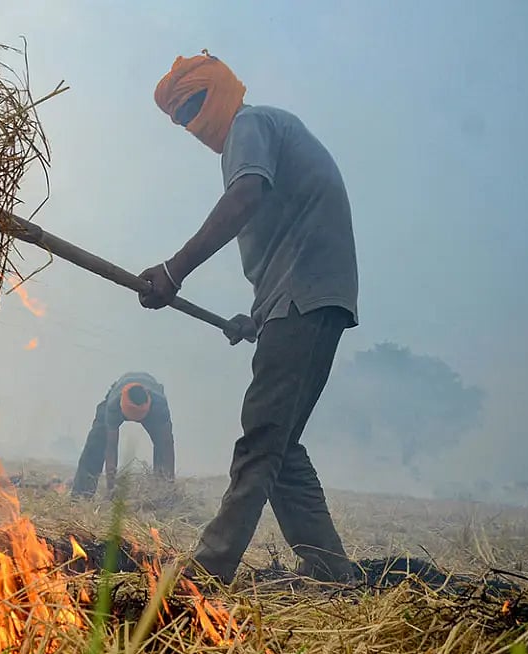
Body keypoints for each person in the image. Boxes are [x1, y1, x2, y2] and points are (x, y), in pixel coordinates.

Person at [137, 51, 359, 584]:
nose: (192, 123)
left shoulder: (249, 124)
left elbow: (244, 198)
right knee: (280, 442)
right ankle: (330, 569)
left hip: (303, 299)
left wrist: (175, 269)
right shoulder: (261, 131)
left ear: (219, 90)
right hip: (299, 301)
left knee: (261, 437)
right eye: (181, 117)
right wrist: (256, 319)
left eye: (193, 105)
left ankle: (208, 569)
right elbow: (288, 235)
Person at [70, 372, 174, 497]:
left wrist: (169, 485)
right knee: (96, 442)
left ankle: (161, 495)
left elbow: (167, 446)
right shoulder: (114, 405)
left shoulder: (159, 407)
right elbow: (111, 447)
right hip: (117, 395)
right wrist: (111, 488)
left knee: (162, 449)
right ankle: (81, 495)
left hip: (152, 404)